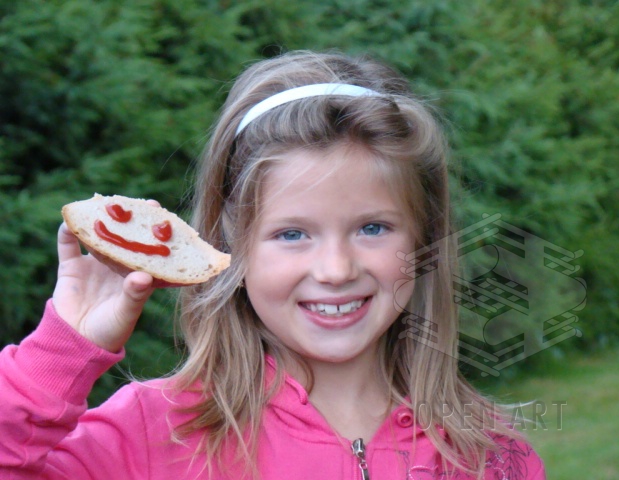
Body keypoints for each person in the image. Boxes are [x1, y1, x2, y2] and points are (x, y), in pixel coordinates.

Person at [0, 50, 545, 479]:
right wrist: (59, 354)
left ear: (426, 238)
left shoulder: (490, 454)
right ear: (230, 245)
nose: (336, 269)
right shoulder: (154, 433)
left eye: (372, 228)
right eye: (292, 234)